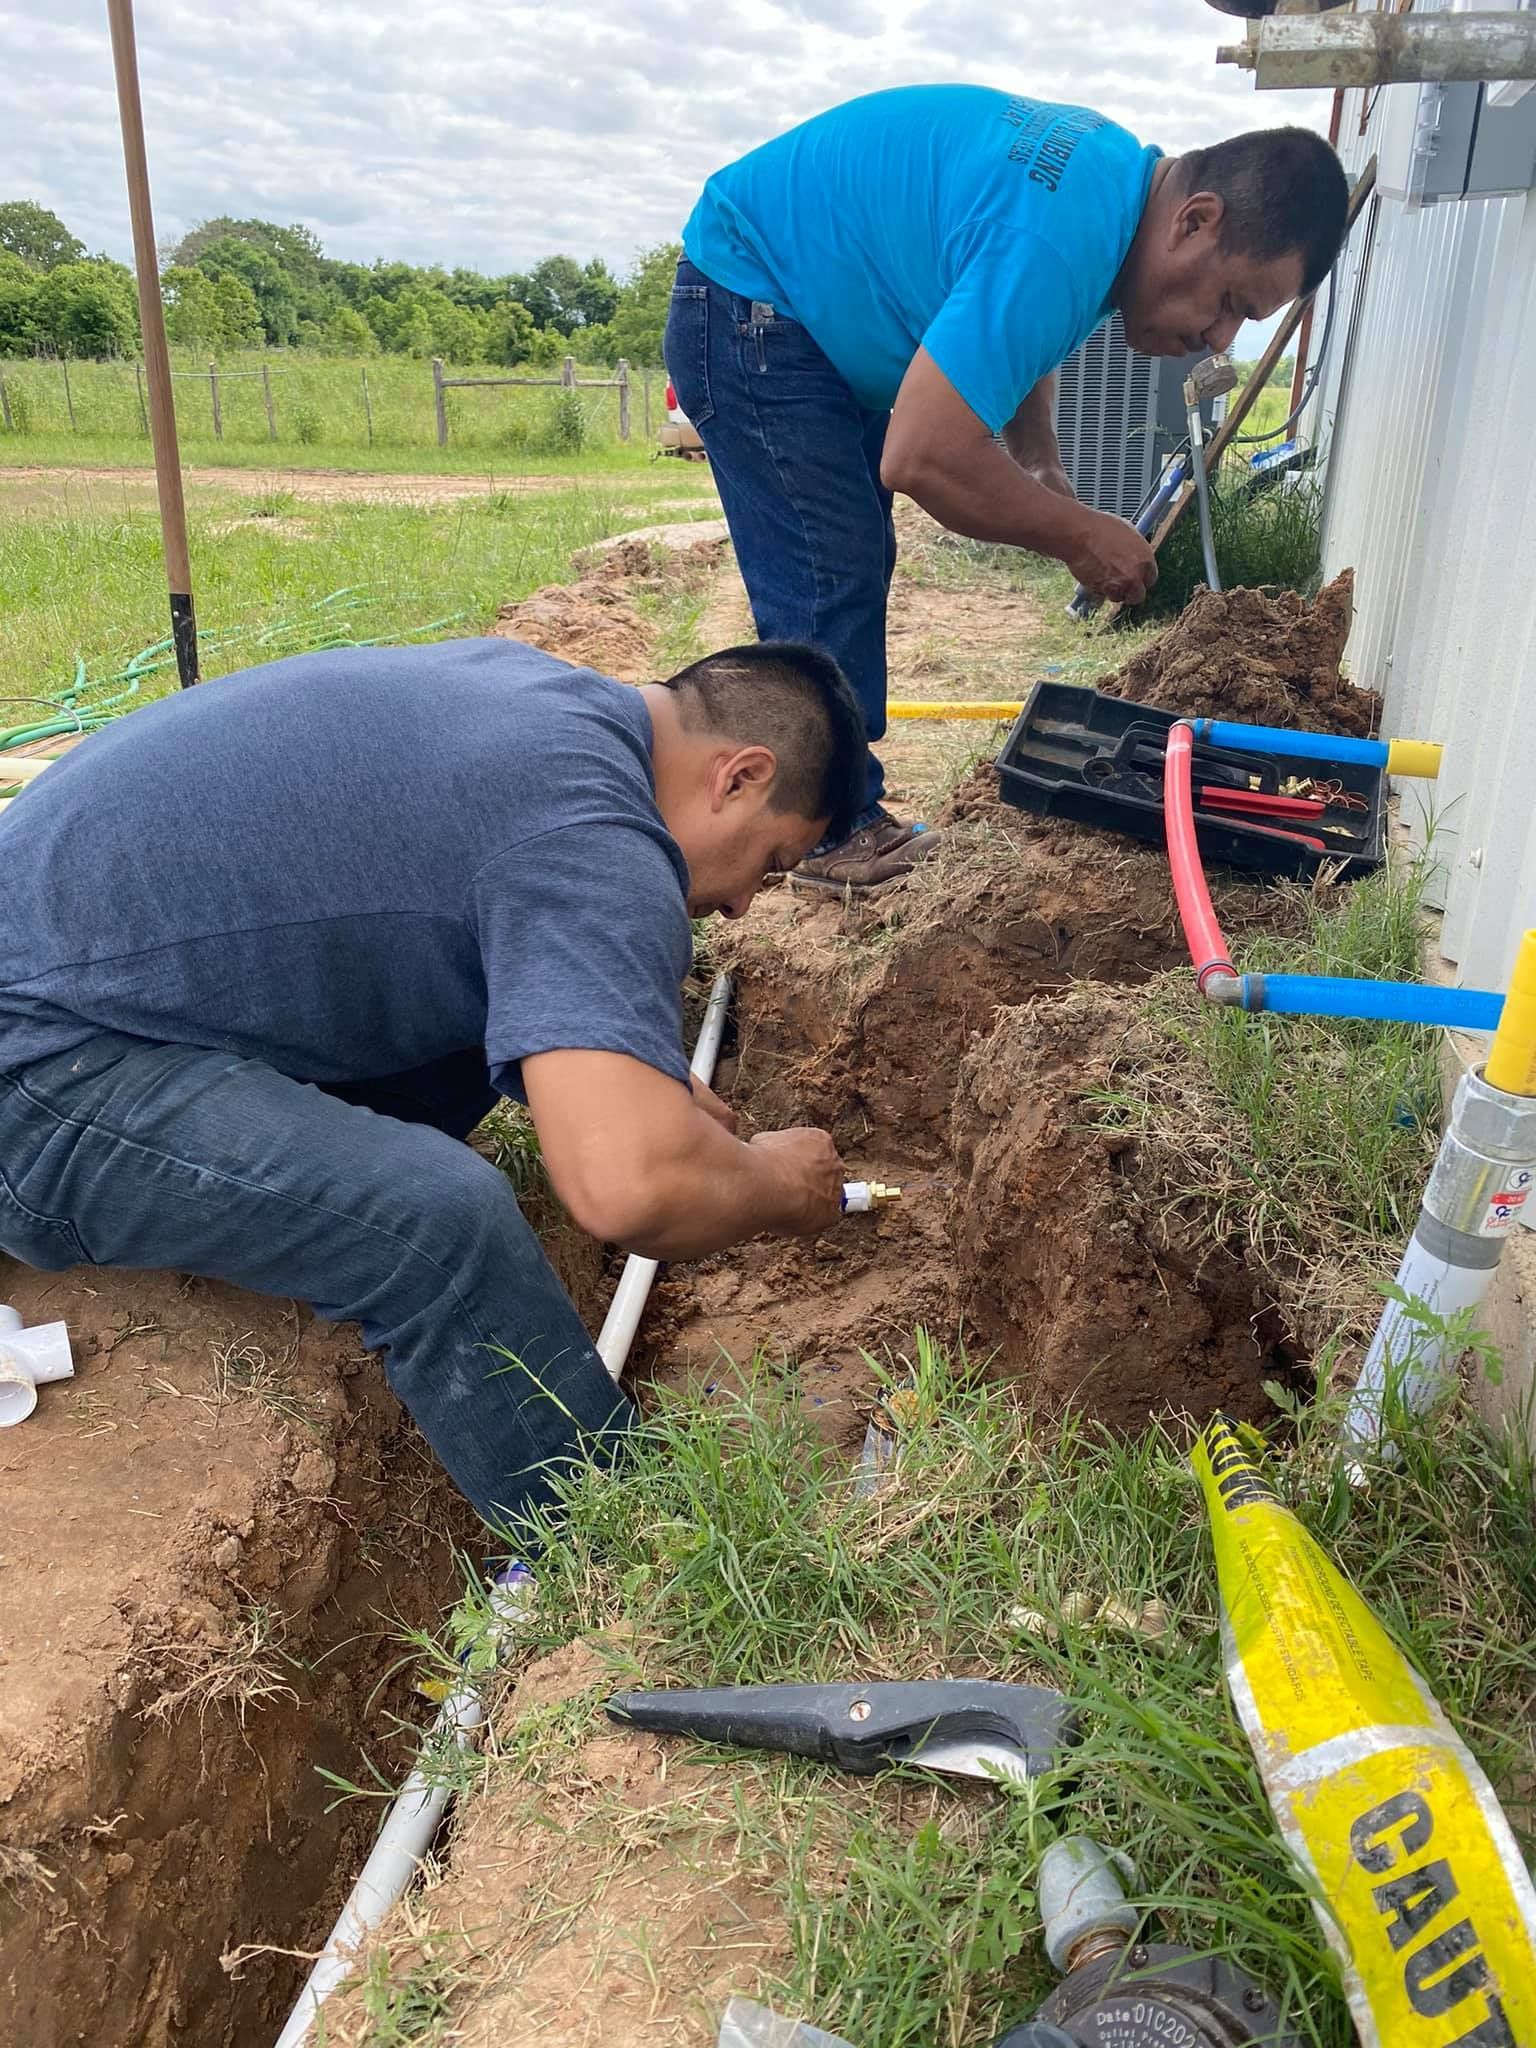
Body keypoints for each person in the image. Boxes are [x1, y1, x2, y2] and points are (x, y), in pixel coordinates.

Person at [0, 635, 864, 1528]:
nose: (741, 907)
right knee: (435, 1222)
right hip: (35, 1066)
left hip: (76, 971)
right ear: (739, 777)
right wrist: (780, 1187)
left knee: (474, 1040)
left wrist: (644, 1083)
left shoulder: (547, 706)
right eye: (770, 865)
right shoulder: (591, 833)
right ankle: (614, 1546)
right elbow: (628, 1189)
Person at [668, 87, 1350, 889]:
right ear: (1195, 220)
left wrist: (1037, 458)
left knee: (849, 561)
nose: (1220, 336)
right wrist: (1077, 532)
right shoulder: (1064, 236)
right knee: (830, 569)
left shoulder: (1108, 191)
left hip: (791, 310)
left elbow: (1015, 323)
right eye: (1231, 303)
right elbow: (921, 454)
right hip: (751, 299)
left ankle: (818, 803)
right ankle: (820, 830)